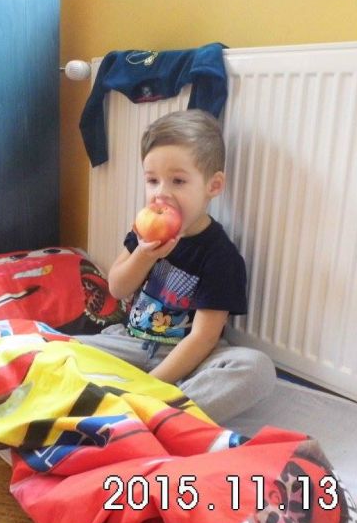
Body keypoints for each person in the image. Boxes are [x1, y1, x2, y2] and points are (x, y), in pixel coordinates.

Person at [76, 109, 275, 424]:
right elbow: (117, 287)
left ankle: (151, 415)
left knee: (255, 368)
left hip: (187, 357)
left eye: (178, 181)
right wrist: (144, 256)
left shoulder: (220, 255)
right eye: (152, 180)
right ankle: (146, 409)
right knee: (51, 349)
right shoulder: (145, 231)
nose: (161, 193)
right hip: (130, 343)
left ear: (213, 185)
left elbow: (203, 338)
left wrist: (149, 386)